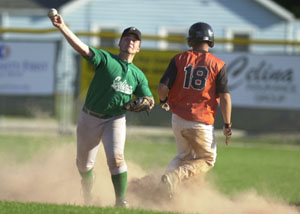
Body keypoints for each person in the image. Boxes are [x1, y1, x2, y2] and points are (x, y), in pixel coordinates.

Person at [48, 13, 154, 207]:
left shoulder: (138, 75)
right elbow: (82, 48)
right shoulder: (106, 59)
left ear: (138, 48)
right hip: (89, 117)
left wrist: (147, 101)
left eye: (135, 40)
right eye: (127, 38)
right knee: (83, 165)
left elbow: (149, 98)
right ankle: (87, 192)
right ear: (120, 43)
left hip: (115, 119)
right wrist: (62, 27)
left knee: (116, 158)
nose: (131, 41)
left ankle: (120, 201)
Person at [157, 22, 232, 199]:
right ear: (210, 41)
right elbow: (225, 98)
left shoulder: (179, 59)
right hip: (200, 121)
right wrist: (227, 124)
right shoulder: (218, 64)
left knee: (183, 157)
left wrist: (163, 101)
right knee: (207, 159)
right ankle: (174, 177)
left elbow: (162, 87)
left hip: (178, 118)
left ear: (191, 41)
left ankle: (164, 188)